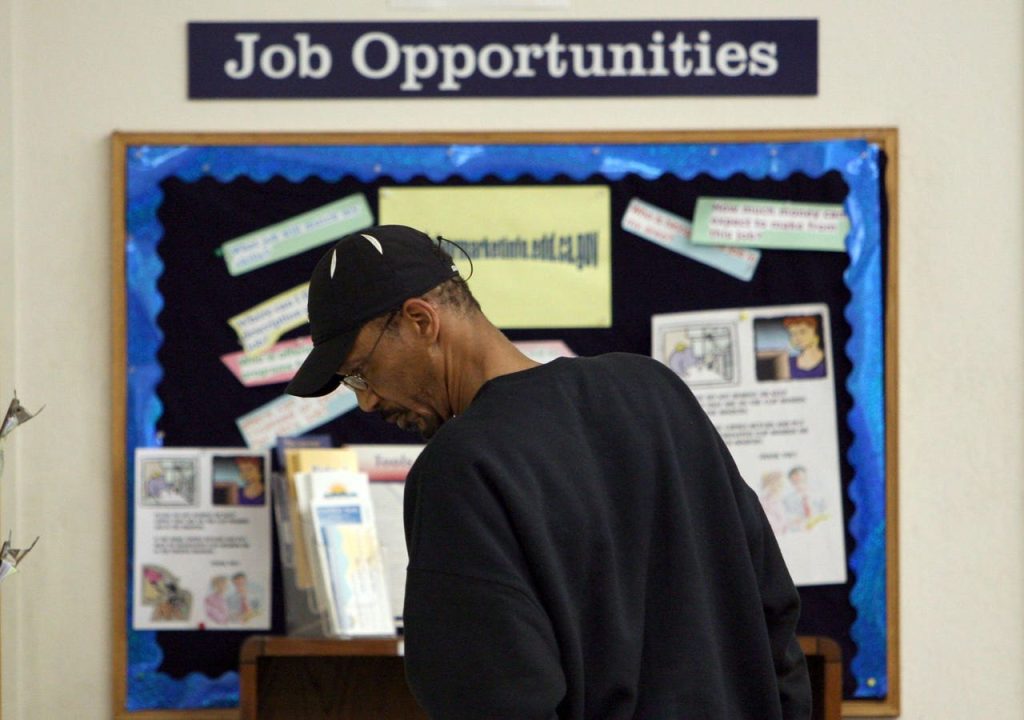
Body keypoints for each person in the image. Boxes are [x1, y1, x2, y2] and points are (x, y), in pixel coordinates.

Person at [287, 225, 811, 720]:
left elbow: (493, 699)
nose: (366, 401)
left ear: (421, 321)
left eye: (360, 372)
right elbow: (774, 613)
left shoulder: (462, 468)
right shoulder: (656, 393)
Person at [782, 315, 826, 379]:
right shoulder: (789, 363)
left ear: (814, 330)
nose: (797, 338)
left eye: (802, 332)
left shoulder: (828, 359)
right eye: (793, 334)